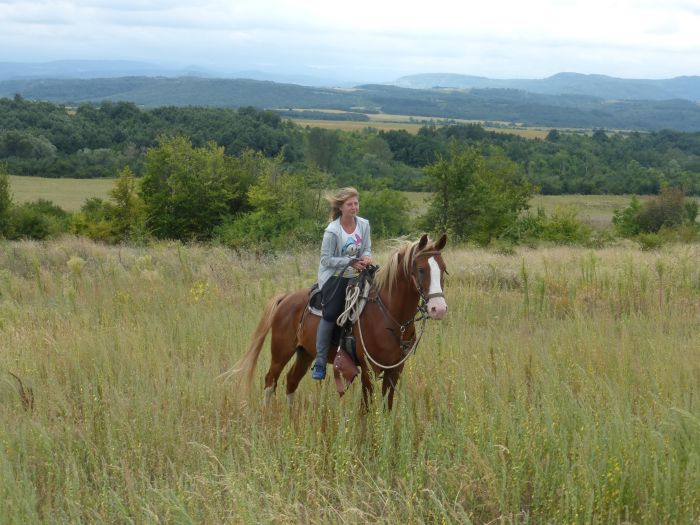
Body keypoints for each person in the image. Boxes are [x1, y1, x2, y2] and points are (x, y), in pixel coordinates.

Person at [312, 187, 372, 380]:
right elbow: (325, 260)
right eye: (350, 204)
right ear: (341, 207)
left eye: (356, 203)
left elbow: (367, 248)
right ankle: (320, 361)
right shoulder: (332, 231)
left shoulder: (363, 224)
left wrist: (366, 258)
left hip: (357, 273)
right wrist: (350, 261)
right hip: (334, 276)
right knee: (331, 312)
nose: (354, 207)